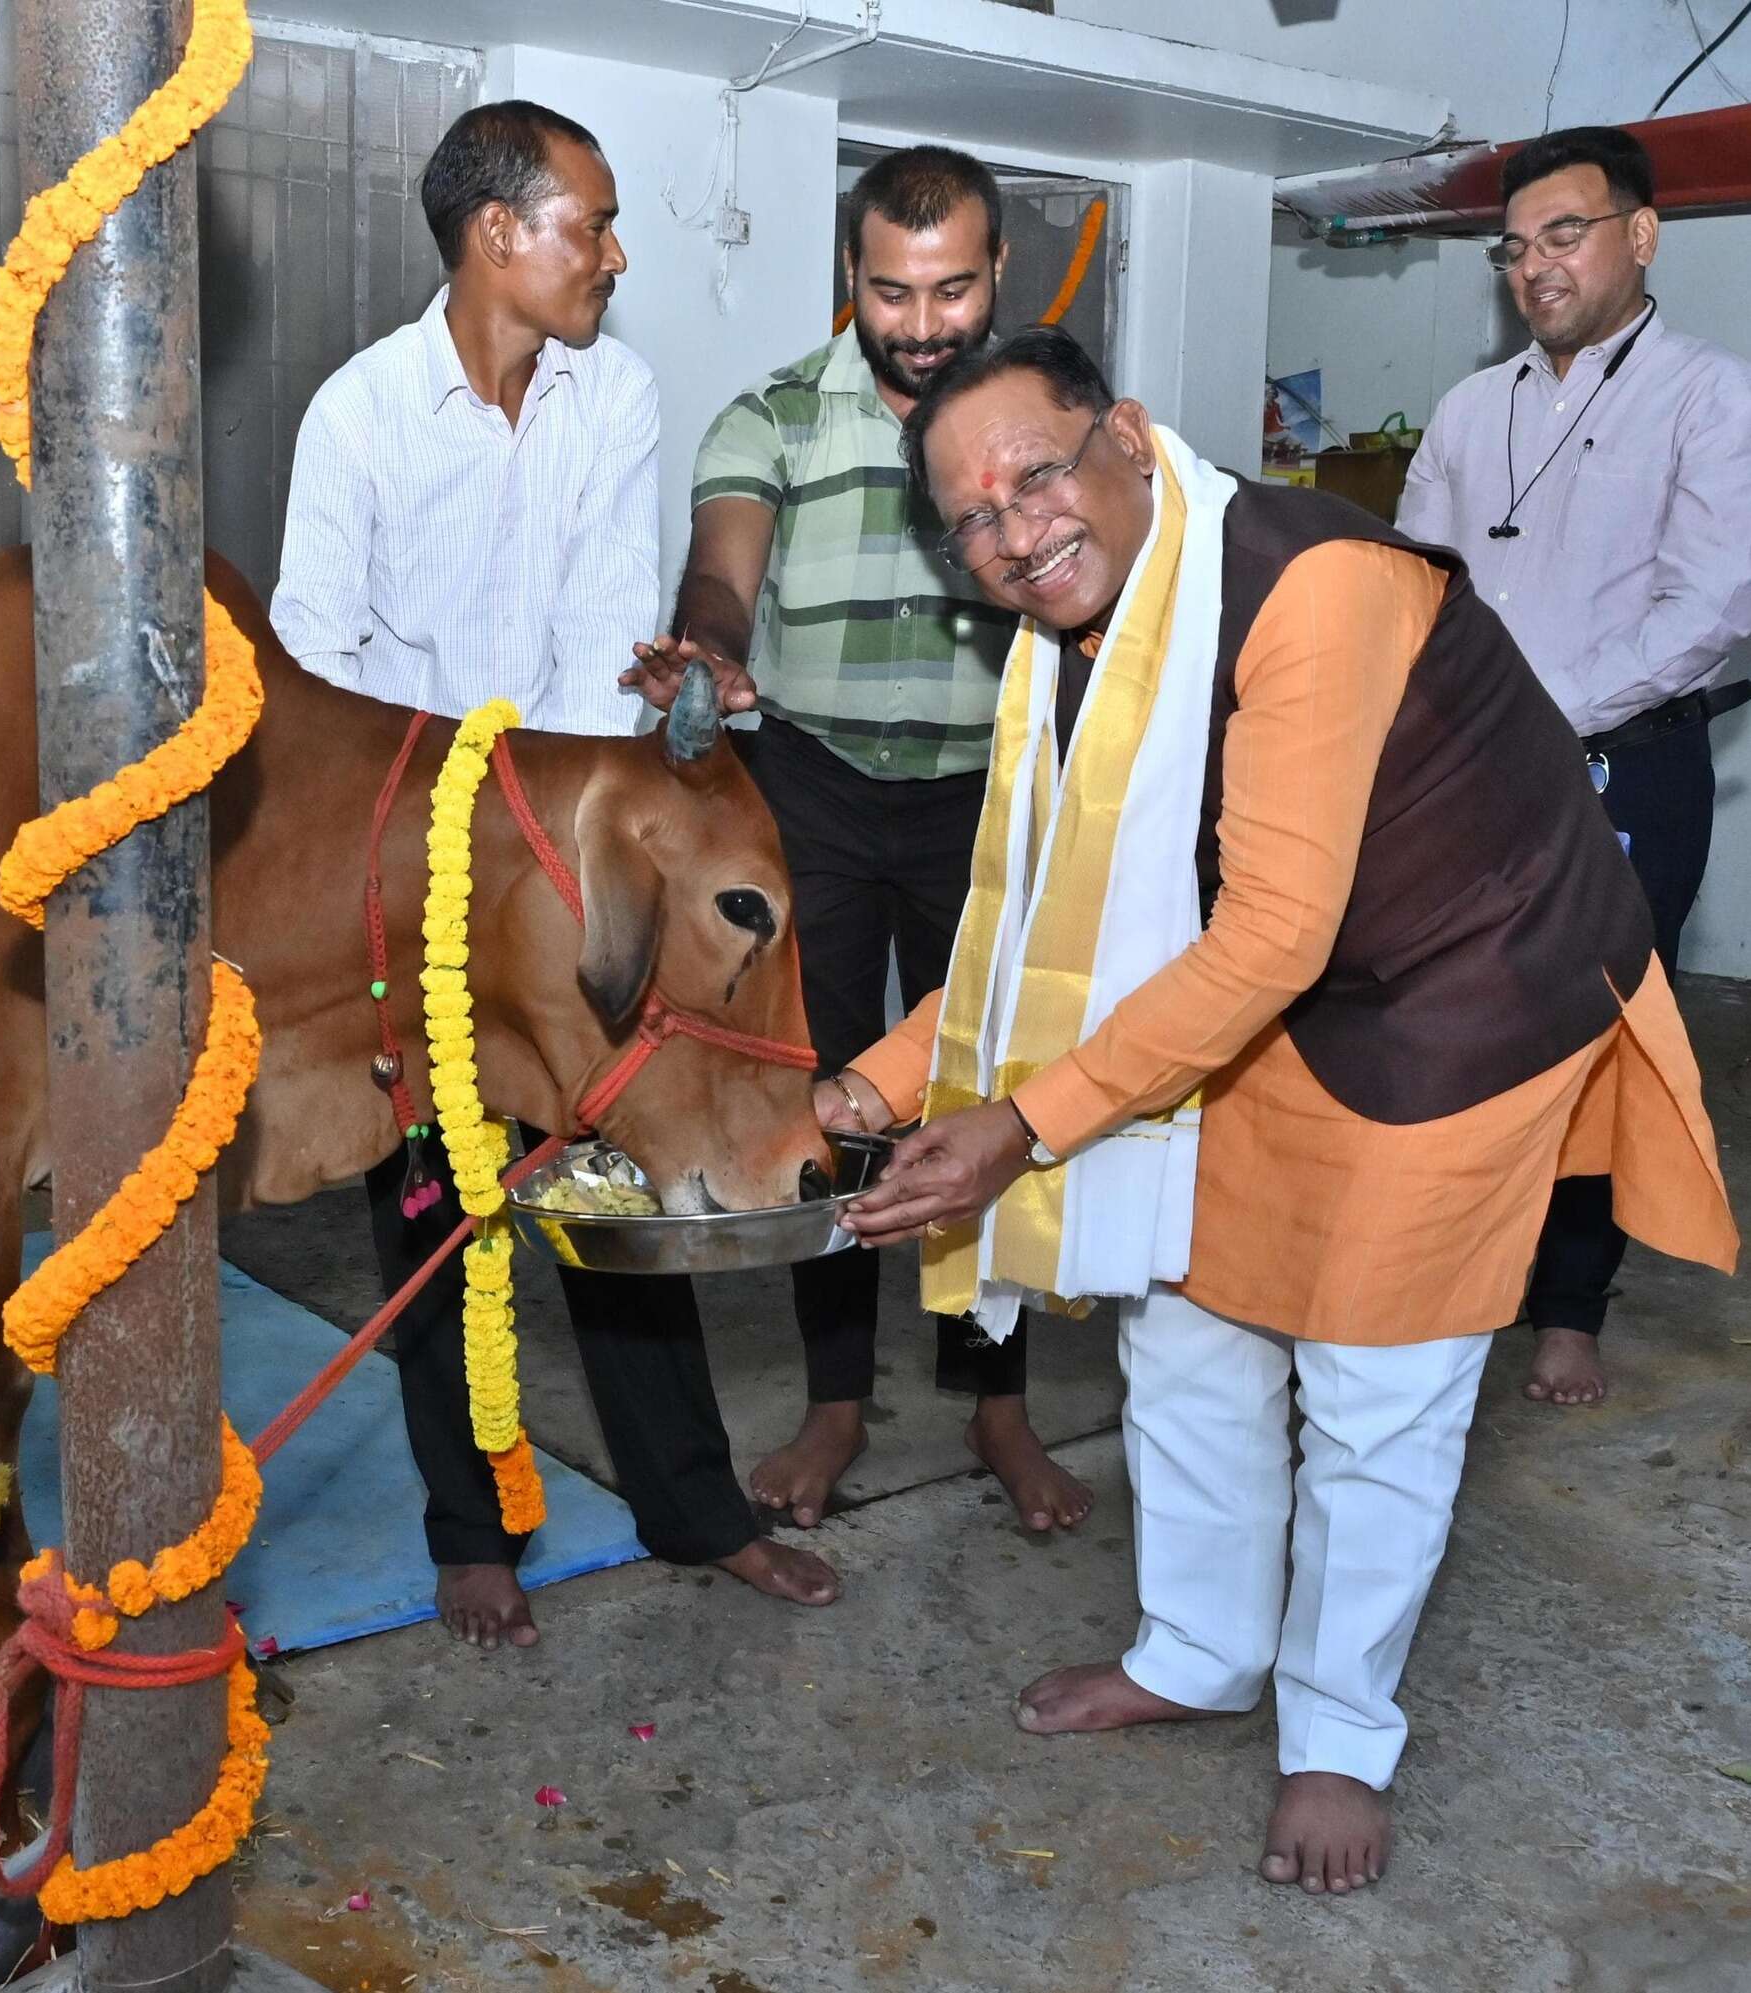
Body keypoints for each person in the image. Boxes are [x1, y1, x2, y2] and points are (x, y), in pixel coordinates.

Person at [783, 326, 1731, 1892]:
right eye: (973, 519)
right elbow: (1043, 939)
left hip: (1462, 989)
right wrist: (862, 1090)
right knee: (1187, 1321)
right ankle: (1200, 1650)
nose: (1016, 533)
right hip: (1253, 995)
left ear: (1128, 434)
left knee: (1377, 1378)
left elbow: (1276, 932)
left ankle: (1341, 1732)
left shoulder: (1315, 585)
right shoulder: (1077, 641)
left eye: (1036, 475)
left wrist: (1024, 1126)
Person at [270, 99, 839, 1651]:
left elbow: (599, 645)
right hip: (410, 874)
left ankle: (696, 1509)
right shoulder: (360, 414)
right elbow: (317, 670)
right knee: (432, 1214)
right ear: (495, 234)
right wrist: (450, 846)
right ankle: (472, 1530)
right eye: (591, 222)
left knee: (617, 1191)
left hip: (568, 863)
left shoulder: (618, 395)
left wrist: (613, 796)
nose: (614, 254)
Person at [629, 146, 1086, 1537]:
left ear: (998, 271)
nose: (924, 324)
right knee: (820, 1101)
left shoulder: (1046, 429)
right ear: (851, 274)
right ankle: (836, 1402)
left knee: (987, 1092)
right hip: (812, 790)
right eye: (893, 292)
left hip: (988, 796)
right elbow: (722, 570)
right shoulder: (771, 416)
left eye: (953, 290)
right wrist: (708, 646)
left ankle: (996, 1399)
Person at [1397, 125, 1751, 1409]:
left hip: (1627, 768)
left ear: (1640, 236)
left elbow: (1711, 607)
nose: (1534, 265)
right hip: (1463, 772)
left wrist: (1541, 713)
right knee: (1452, 1019)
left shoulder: (1708, 396)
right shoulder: (1468, 407)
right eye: (1512, 247)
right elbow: (1413, 584)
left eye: (1564, 233)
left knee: (1599, 1035)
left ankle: (1568, 1304)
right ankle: (1459, 1263)